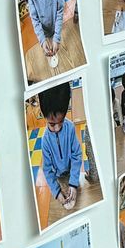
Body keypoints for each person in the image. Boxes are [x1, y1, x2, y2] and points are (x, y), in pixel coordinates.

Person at [36, 83, 85, 215]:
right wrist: (57, 192)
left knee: (80, 201)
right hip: (58, 177)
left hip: (72, 173)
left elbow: (77, 155)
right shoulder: (45, 140)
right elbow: (47, 170)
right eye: (52, 124)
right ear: (43, 115)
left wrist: (74, 184)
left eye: (61, 121)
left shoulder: (70, 128)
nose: (57, 128)